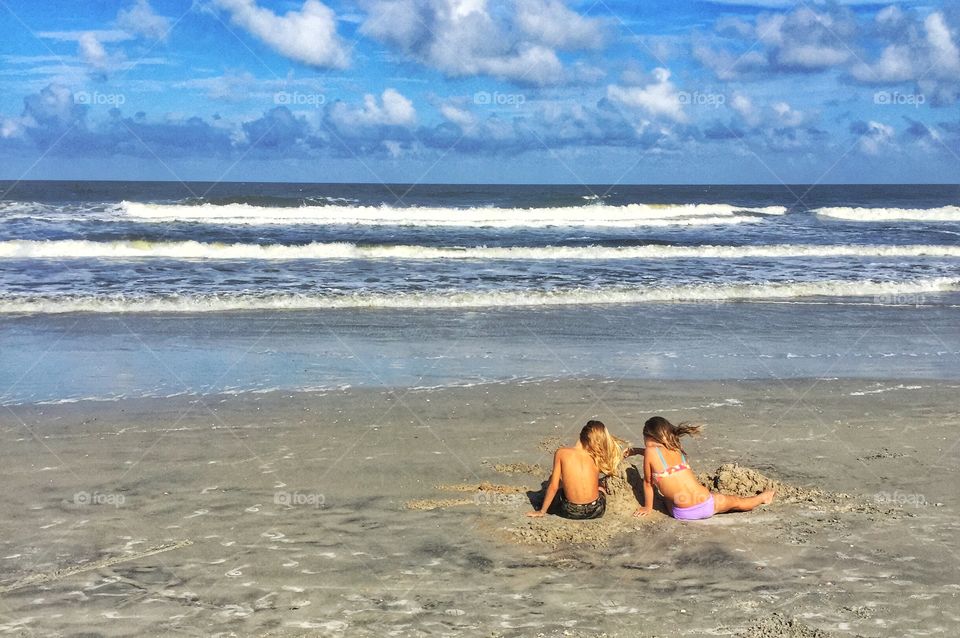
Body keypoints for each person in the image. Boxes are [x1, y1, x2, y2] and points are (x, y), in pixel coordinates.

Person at [630, 416, 775, 520]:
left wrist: (647, 507)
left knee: (667, 500)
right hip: (707, 504)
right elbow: (662, 459)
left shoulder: (650, 452)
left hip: (682, 513)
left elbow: (648, 483)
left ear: (649, 437)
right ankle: (763, 497)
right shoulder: (676, 449)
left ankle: (669, 502)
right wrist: (639, 451)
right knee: (737, 502)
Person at [527, 420, 627, 520]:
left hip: (570, 511)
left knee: (555, 480)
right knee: (600, 488)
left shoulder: (561, 453)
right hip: (596, 510)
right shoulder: (596, 456)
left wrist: (542, 511)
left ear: (581, 435)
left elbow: (553, 486)